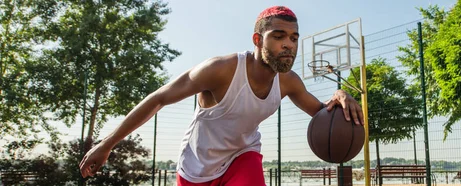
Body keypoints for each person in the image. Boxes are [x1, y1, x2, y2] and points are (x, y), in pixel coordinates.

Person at [78, 5, 364, 186]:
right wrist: (107, 144)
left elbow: (322, 114)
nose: (288, 45)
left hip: (243, 157)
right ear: (257, 40)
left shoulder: (288, 82)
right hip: (196, 167)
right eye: (278, 37)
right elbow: (158, 99)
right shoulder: (220, 70)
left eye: (293, 37)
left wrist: (340, 95)